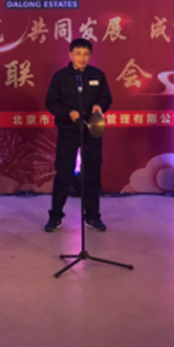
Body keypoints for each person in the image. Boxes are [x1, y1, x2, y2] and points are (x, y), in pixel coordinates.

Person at [44, 38, 112, 232]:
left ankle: (93, 217)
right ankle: (55, 217)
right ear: (70, 55)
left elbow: (106, 97)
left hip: (92, 131)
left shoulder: (97, 75)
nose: (82, 58)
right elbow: (51, 102)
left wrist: (99, 106)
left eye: (86, 54)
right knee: (63, 174)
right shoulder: (60, 77)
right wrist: (68, 113)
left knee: (92, 174)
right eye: (78, 54)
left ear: (90, 56)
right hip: (68, 131)